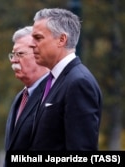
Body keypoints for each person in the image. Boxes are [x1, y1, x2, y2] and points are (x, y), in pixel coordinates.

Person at [30, 8, 102, 150]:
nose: (32, 44)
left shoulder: (78, 83)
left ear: (62, 40)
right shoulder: (53, 80)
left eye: (38, 38)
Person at [4, 26, 49, 159]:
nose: (13, 60)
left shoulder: (55, 95)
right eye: (13, 55)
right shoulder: (21, 98)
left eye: (20, 54)